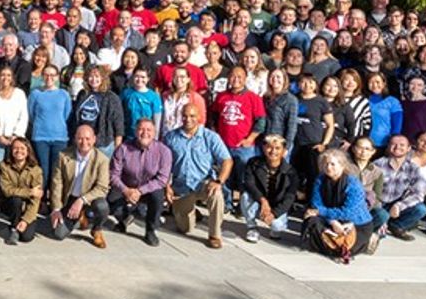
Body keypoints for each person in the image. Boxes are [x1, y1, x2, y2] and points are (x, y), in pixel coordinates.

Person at [162, 105, 233, 250]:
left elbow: (227, 161)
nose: (188, 119)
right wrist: (166, 186)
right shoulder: (170, 138)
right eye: (185, 116)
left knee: (217, 194)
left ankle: (214, 235)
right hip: (181, 187)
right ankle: (194, 213)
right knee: (184, 229)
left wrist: (219, 181)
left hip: (203, 183)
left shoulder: (210, 137)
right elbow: (163, 165)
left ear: (199, 117)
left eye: (192, 116)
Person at [107, 118, 172, 247]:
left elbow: (162, 179)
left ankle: (150, 230)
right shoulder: (123, 148)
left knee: (158, 196)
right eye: (141, 129)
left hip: (149, 189)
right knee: (110, 201)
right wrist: (126, 190)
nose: (145, 133)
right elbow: (113, 175)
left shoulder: (164, 151)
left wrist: (140, 191)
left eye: (149, 130)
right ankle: (124, 219)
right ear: (135, 131)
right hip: (126, 187)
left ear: (154, 133)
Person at [47, 123, 112, 247]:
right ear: (75, 139)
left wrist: (82, 200)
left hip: (90, 199)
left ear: (94, 139)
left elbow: (102, 188)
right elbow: (57, 183)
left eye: (87, 139)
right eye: (80, 138)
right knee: (58, 234)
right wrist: (56, 209)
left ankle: (96, 229)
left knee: (102, 207)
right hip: (70, 197)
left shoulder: (102, 160)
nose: (84, 142)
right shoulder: (63, 156)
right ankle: (81, 217)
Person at [305, 149, 374, 263]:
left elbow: (348, 212)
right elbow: (316, 204)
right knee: (311, 221)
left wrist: (320, 212)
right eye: (325, 164)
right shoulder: (320, 180)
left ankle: (368, 242)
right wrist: (333, 222)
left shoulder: (353, 184)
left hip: (355, 223)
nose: (328, 167)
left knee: (344, 248)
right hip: (331, 219)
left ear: (342, 165)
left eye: (333, 164)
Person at [370, 134, 426, 241]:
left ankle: (397, 226)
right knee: (381, 217)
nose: (398, 147)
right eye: (394, 144)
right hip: (378, 205)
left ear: (408, 148)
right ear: (388, 146)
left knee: (421, 209)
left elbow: (418, 193)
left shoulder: (413, 168)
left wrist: (399, 205)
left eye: (402, 145)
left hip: (397, 204)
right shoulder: (377, 164)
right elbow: (369, 191)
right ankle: (381, 224)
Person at [241, 134, 298, 244]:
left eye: (277, 148)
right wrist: (262, 200)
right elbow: (249, 183)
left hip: (277, 205)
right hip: (259, 201)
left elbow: (289, 198)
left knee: (277, 226)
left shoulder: (291, 172)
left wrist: (274, 214)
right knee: (245, 196)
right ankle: (252, 228)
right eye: (269, 147)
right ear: (263, 148)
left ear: (284, 150)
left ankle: (274, 228)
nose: (273, 151)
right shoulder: (254, 163)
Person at [0, 137, 44, 245]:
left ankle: (19, 225)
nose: (19, 151)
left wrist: (26, 220)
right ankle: (14, 229)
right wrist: (30, 192)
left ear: (28, 151)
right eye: (15, 148)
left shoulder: (36, 170)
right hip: (8, 203)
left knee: (27, 237)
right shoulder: (4, 166)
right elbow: (7, 190)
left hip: (27, 206)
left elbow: (36, 199)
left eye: (22, 148)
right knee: (16, 200)